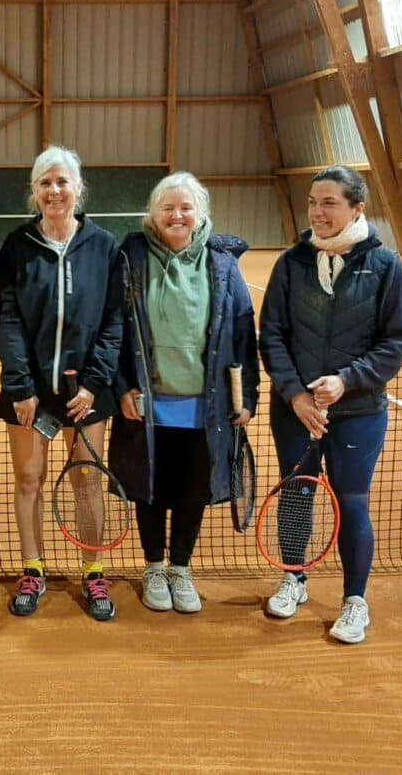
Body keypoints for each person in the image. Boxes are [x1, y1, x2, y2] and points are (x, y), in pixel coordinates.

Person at [259, 164, 402, 644]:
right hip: (295, 411)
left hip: (358, 412)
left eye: (329, 202)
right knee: (297, 493)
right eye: (312, 202)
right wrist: (296, 394)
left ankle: (354, 601)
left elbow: (395, 342)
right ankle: (294, 578)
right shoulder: (292, 263)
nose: (317, 212)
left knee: (353, 501)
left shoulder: (385, 265)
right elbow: (272, 336)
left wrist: (346, 381)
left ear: (356, 208)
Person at [108, 172, 258, 614]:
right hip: (147, 404)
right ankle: (154, 567)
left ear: (200, 213)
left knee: (193, 491)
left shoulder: (224, 265)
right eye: (168, 207)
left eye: (186, 207)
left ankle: (180, 568)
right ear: (153, 214)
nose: (177, 215)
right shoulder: (130, 259)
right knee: (150, 490)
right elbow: (113, 329)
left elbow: (243, 334)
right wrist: (121, 386)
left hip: (205, 406)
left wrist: (247, 396)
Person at [0, 145, 122, 621]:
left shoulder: (104, 246)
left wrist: (93, 383)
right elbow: (8, 319)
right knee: (29, 479)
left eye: (62, 181)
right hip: (29, 391)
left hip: (87, 392)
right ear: (34, 191)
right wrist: (21, 387)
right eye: (45, 183)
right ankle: (33, 569)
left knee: (87, 481)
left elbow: (113, 320)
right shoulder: (17, 246)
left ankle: (94, 570)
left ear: (78, 188)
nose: (54, 190)